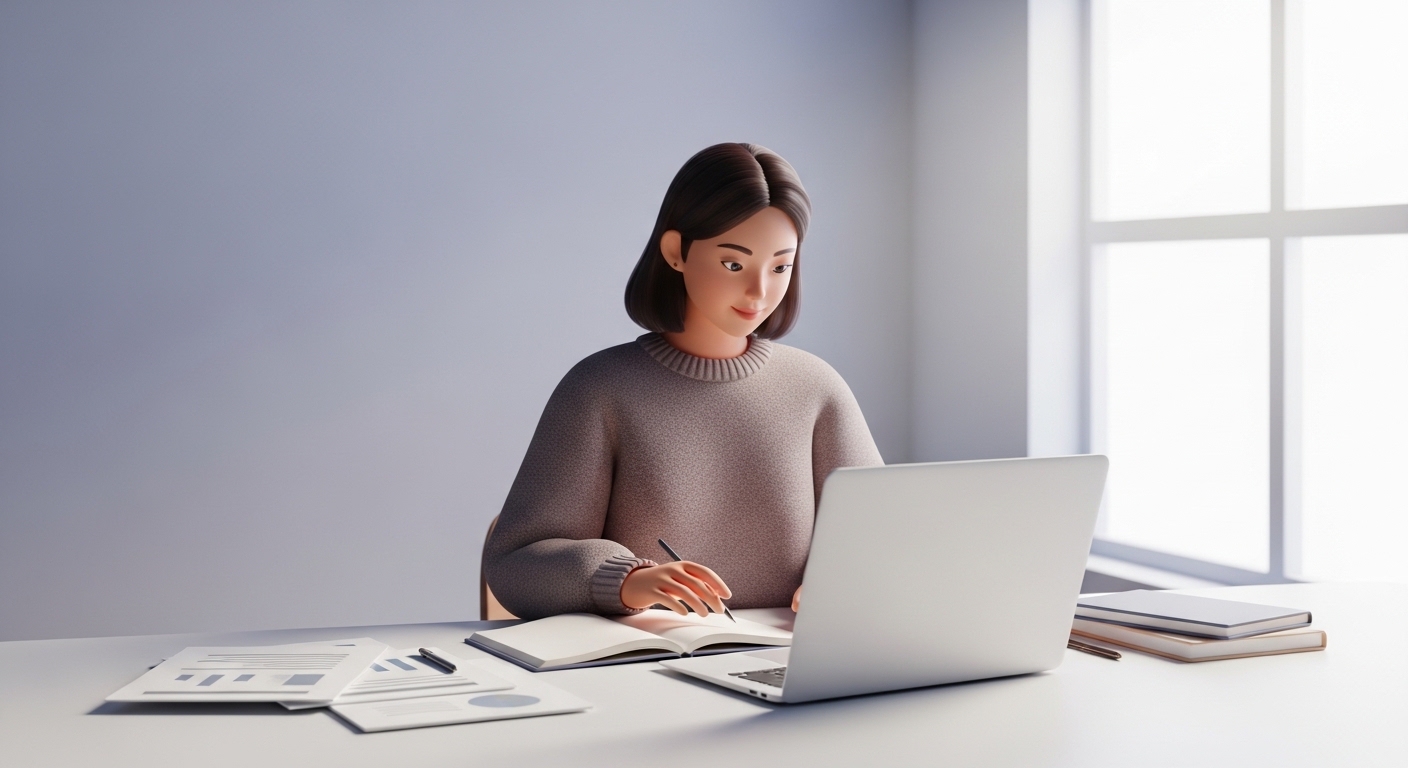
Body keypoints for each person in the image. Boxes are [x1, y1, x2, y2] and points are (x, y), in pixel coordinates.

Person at [484, 143, 883, 620]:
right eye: (733, 264)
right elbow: (514, 562)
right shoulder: (600, 389)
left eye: (781, 266)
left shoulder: (818, 389)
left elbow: (887, 538)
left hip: (789, 666)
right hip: (645, 671)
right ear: (676, 252)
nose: (759, 291)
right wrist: (625, 580)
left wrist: (845, 578)